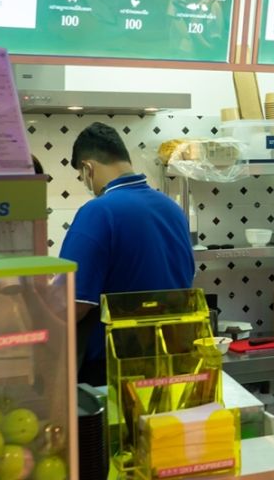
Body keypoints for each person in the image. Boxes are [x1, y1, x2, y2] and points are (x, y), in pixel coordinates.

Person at [58, 122, 195, 385]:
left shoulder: (98, 212)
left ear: (88, 168)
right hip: (172, 362)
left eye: (81, 176)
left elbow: (73, 304)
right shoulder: (172, 209)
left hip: (114, 370)